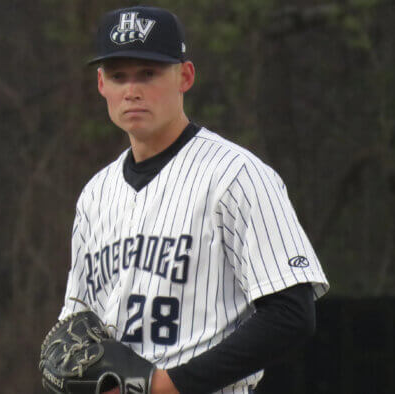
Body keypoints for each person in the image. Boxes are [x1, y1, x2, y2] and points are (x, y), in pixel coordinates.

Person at [57, 6, 329, 394]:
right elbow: (77, 325)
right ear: (101, 84)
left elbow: (292, 313)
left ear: (185, 76)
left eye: (148, 74)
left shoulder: (237, 175)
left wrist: (171, 385)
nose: (132, 90)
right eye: (119, 76)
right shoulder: (95, 195)